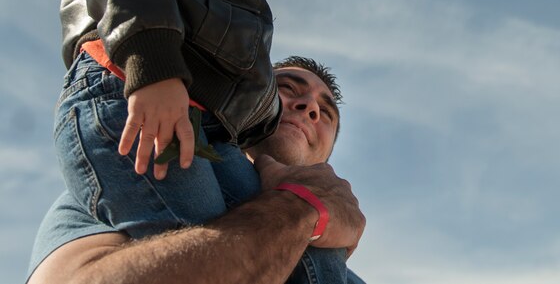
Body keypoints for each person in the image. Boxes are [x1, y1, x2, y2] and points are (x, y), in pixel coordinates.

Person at [53, 0, 352, 283]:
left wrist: (269, 138)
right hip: (132, 90)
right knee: (215, 242)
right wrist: (153, 70)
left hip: (202, 123)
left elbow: (238, 76)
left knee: (304, 256)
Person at [27, 57, 366, 284]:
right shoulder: (123, 176)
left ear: (327, 158)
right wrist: (299, 208)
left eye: (327, 113)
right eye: (288, 89)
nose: (309, 107)